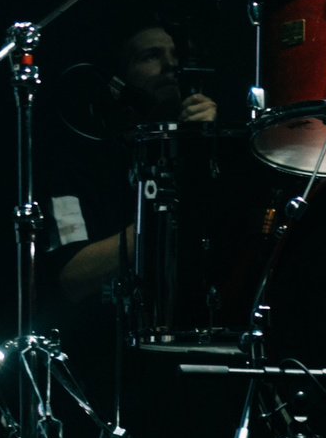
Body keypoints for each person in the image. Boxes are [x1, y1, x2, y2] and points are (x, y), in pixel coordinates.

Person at [48, 19, 220, 308]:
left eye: (176, 56)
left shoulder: (211, 148)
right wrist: (161, 216)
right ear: (119, 81)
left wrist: (205, 144)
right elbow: (73, 276)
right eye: (152, 56)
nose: (171, 66)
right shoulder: (82, 163)